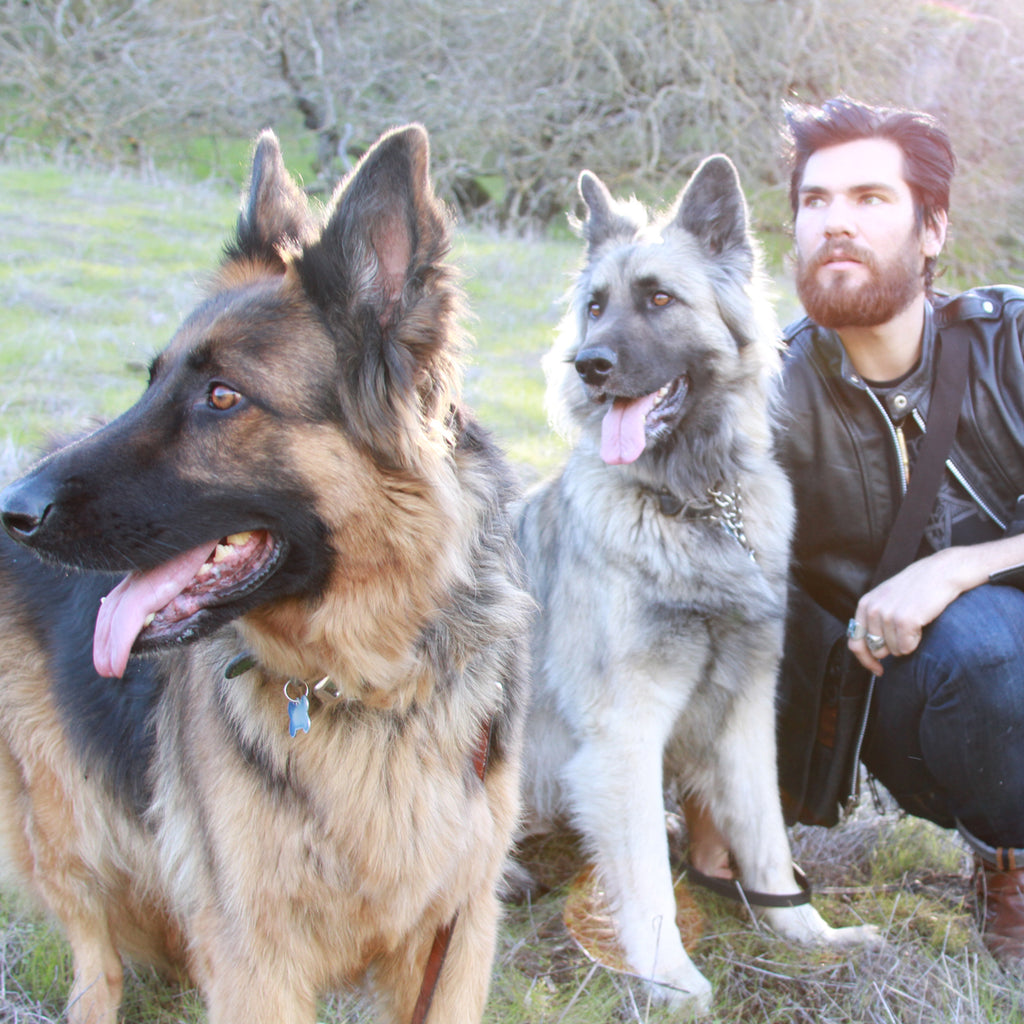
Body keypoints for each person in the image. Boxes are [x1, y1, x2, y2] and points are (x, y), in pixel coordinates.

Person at [689, 95, 1024, 968]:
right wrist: (717, 818)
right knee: (985, 656)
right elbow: (716, 585)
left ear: (932, 231)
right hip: (905, 694)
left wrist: (958, 565)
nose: (836, 223)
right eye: (816, 201)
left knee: (985, 630)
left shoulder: (1012, 342)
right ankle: (1007, 849)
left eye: (871, 199)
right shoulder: (767, 398)